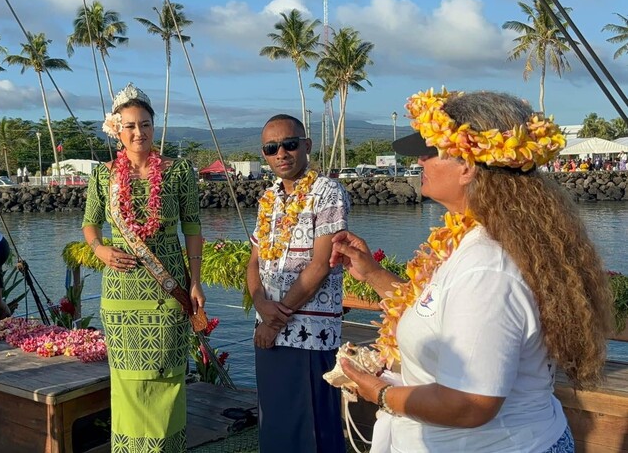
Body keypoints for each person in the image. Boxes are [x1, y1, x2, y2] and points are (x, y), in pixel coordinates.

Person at [332, 89, 611, 452]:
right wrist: (373, 274)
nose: (419, 162)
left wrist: (383, 394)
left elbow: (471, 403)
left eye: (429, 151)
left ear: (466, 166)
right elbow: (441, 311)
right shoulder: (479, 241)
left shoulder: (487, 268)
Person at [82, 83, 204, 452]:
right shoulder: (103, 175)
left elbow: (193, 227)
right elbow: (90, 223)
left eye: (146, 124)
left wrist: (195, 281)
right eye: (131, 125)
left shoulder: (179, 171)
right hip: (120, 293)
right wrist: (99, 249)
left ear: (154, 126)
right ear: (116, 129)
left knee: (167, 375)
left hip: (167, 289)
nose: (140, 133)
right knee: (126, 380)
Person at [246, 114, 349, 453]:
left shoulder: (328, 192)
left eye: (289, 144)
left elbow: (320, 265)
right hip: (269, 330)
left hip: (311, 335)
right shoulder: (268, 198)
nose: (281, 153)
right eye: (271, 148)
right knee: (276, 424)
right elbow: (254, 262)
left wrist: (276, 318)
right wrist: (261, 305)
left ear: (306, 146)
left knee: (314, 429)